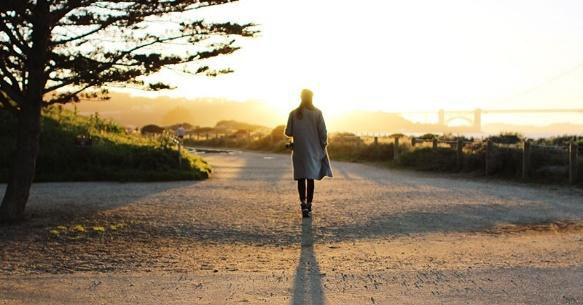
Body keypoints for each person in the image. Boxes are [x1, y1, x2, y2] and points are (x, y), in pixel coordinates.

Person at [285, 89, 333, 217]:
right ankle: (309, 204)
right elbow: (323, 133)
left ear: (301, 97)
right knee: (310, 178)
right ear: (312, 98)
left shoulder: (294, 113)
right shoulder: (317, 113)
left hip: (299, 150)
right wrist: (323, 146)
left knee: (301, 177)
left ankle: (303, 204)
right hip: (313, 150)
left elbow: (288, 132)